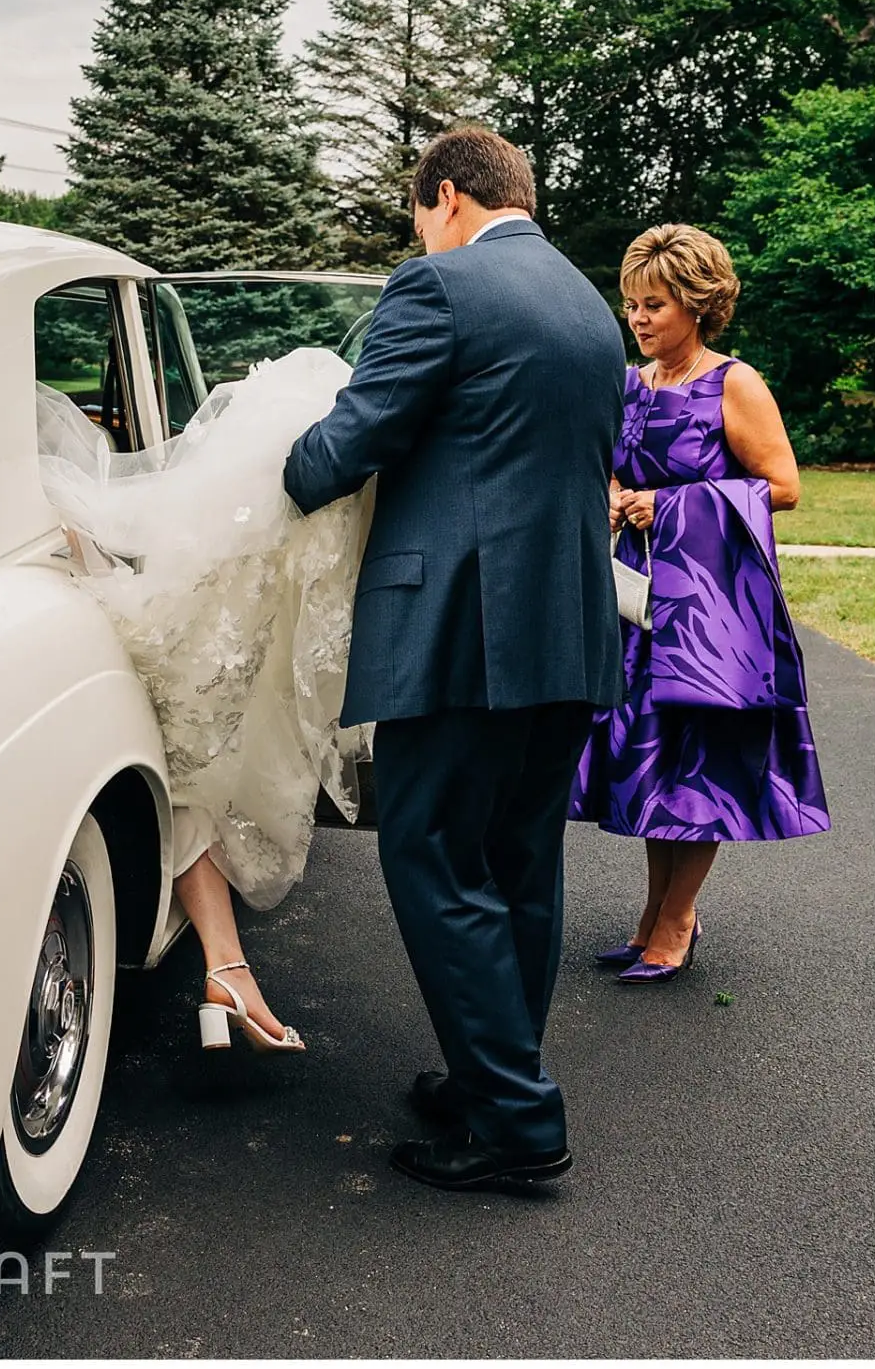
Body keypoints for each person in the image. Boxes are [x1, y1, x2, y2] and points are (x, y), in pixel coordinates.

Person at [283, 127, 625, 1191]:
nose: (418, 235)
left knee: (431, 852)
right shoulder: (587, 305)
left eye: (417, 215)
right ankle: (495, 1073)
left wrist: (279, 469)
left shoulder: (441, 289)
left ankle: (517, 1127)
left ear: (444, 198)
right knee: (519, 858)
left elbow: (360, 436)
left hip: (465, 627)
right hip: (566, 625)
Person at [36, 348, 372, 1056]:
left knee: (185, 762)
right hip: (145, 619)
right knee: (187, 760)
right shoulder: (255, 529)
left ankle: (228, 971)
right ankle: (226, 974)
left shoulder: (60, 488)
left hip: (141, 609)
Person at [570, 225, 830, 980]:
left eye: (654, 304)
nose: (639, 318)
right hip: (640, 602)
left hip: (712, 611)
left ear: (696, 302)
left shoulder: (734, 383)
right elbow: (612, 469)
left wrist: (673, 506)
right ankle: (655, 909)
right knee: (654, 760)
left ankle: (678, 916)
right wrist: (617, 497)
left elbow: (782, 485)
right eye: (630, 304)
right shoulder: (630, 382)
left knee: (703, 761)